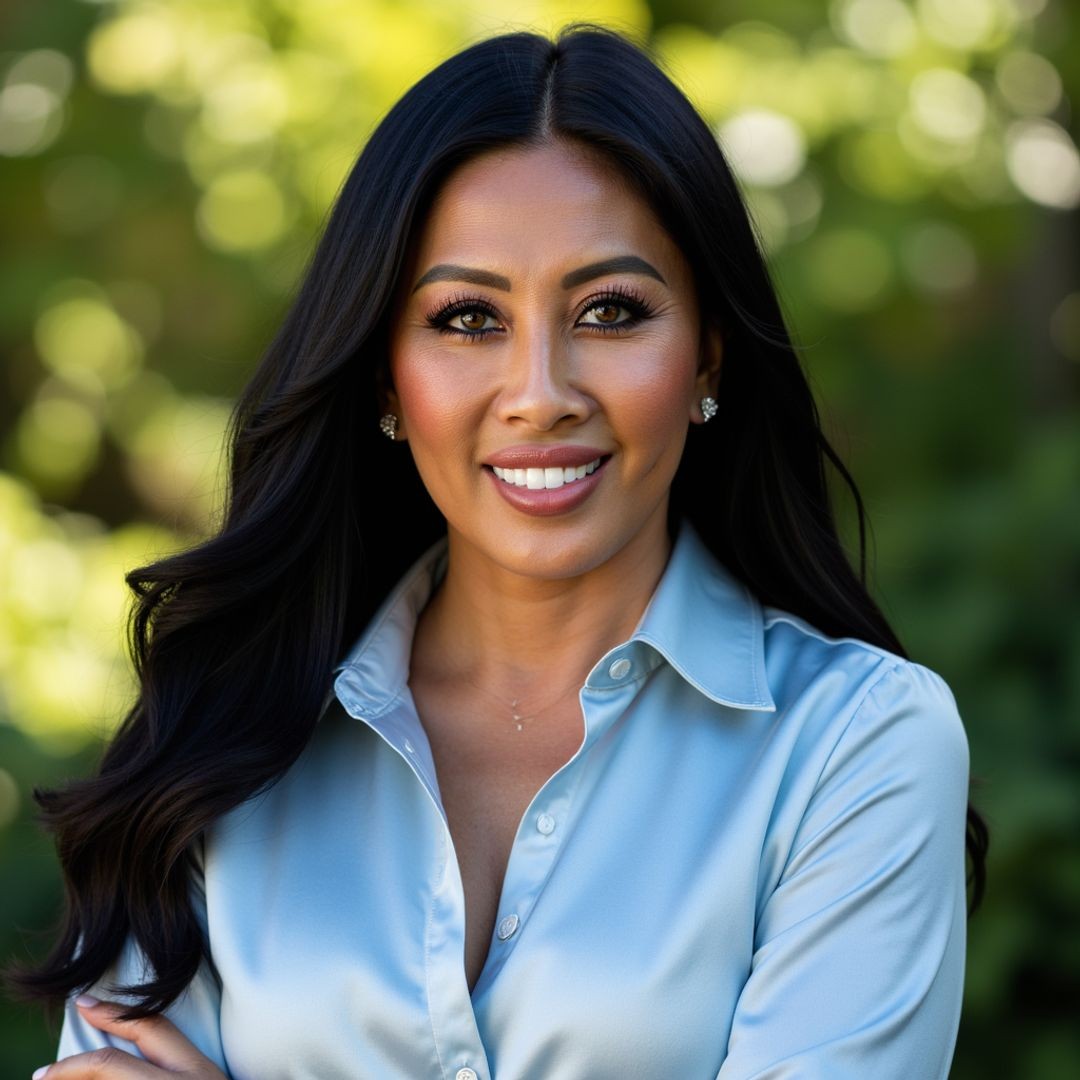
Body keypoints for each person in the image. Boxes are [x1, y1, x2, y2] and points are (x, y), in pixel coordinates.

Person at [11, 23, 987, 1080]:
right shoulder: (224, 729)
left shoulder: (856, 746)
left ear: (707, 355)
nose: (539, 394)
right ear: (384, 375)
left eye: (610, 311)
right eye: (469, 319)